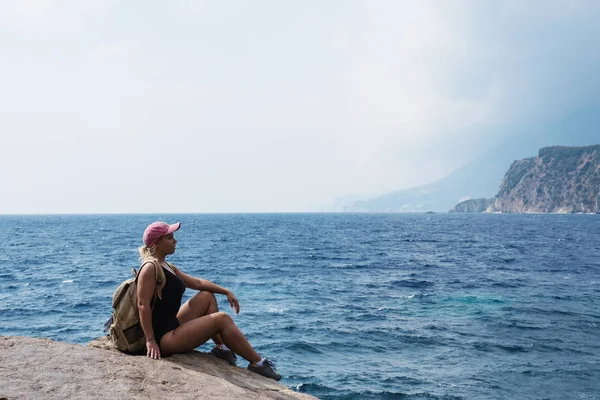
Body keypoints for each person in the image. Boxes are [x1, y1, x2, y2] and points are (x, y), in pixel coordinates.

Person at [137, 221, 281, 381]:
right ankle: (258, 364)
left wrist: (225, 291)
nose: (175, 241)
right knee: (222, 319)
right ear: (156, 243)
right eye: (170, 238)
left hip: (171, 325)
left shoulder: (167, 266)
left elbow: (197, 283)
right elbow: (142, 305)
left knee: (206, 295)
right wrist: (150, 341)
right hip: (162, 339)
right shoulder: (149, 268)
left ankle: (223, 350)